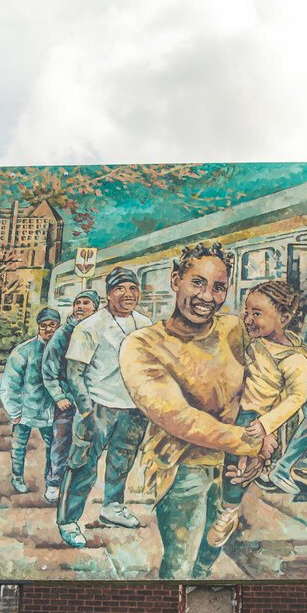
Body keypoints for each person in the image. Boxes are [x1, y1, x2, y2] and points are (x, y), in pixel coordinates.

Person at [119, 242, 265, 579]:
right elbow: (179, 418)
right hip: (184, 470)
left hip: (232, 468)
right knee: (181, 567)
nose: (207, 297)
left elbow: (267, 387)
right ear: (175, 280)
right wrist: (253, 444)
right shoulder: (142, 346)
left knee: (209, 555)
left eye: (218, 287)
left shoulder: (234, 330)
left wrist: (266, 444)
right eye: (197, 283)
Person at [206, 279, 307, 548]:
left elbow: (296, 398)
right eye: (247, 311)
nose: (248, 318)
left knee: (237, 466)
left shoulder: (293, 359)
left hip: (252, 416)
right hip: (229, 404)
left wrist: (266, 426)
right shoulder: (252, 338)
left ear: (284, 318)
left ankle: (227, 512)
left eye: (257, 313)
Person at [55, 267, 152, 548]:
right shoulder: (91, 326)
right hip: (98, 405)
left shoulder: (145, 324)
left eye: (133, 288)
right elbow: (74, 372)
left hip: (133, 407)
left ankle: (112, 507)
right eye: (120, 288)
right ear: (109, 294)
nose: (128, 294)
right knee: (82, 464)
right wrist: (85, 410)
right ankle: (68, 520)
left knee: (122, 461)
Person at [40, 290, 100, 505]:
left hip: (92, 400)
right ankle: (54, 483)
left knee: (88, 444)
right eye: (77, 303)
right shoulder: (62, 334)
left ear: (95, 307)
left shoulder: (98, 331)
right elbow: (49, 370)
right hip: (67, 401)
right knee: (61, 442)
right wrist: (58, 396)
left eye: (86, 303)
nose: (80, 307)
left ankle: (76, 487)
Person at [0, 308, 62, 499]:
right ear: (38, 327)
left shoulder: (62, 349)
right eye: (44, 325)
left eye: (52, 325)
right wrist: (14, 410)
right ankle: (17, 477)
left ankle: (51, 479)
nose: (48, 329)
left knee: (55, 446)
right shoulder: (23, 350)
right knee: (18, 446)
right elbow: (10, 383)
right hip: (25, 410)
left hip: (51, 411)